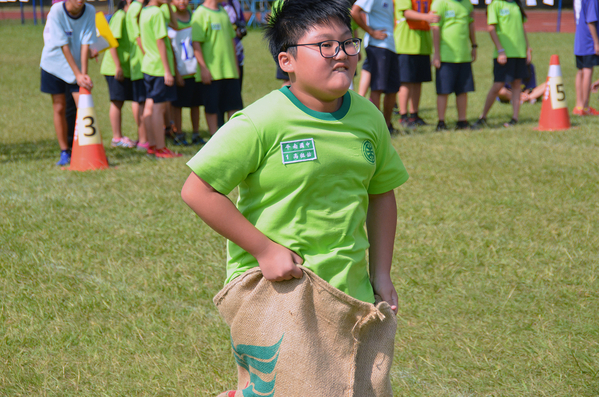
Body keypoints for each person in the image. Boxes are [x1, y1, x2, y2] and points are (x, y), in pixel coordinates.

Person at [181, 0, 408, 395]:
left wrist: (381, 273)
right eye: (325, 45)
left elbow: (381, 194)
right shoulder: (261, 120)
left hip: (349, 292)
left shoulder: (368, 118)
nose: (341, 54)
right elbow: (198, 190)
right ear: (287, 60)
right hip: (281, 288)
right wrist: (265, 249)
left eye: (347, 43)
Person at [40, 0, 96, 166]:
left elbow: (86, 43)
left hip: (76, 68)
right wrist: (78, 73)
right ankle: (65, 152)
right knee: (59, 107)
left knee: (84, 106)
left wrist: (83, 73)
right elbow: (63, 45)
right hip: (54, 65)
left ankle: (87, 150)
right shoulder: (57, 10)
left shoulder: (90, 11)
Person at [471, 0, 532, 129]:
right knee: (498, 85)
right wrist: (500, 49)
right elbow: (491, 28)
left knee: (516, 84)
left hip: (519, 52)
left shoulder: (516, 4)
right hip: (504, 53)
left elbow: (521, 28)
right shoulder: (495, 4)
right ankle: (483, 116)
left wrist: (527, 48)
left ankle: (515, 118)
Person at [191, 0, 243, 136]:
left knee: (234, 106)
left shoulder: (223, 12)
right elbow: (196, 43)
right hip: (212, 72)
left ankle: (233, 136)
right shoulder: (200, 14)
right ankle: (215, 136)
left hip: (229, 70)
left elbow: (232, 40)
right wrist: (203, 68)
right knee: (212, 107)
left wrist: (235, 64)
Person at [139, 0, 183, 158]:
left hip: (148, 66)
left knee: (150, 106)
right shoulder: (157, 13)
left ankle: (151, 144)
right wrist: (167, 70)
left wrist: (169, 7)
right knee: (159, 108)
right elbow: (160, 42)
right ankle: (161, 148)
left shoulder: (145, 11)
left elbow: (175, 25)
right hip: (159, 67)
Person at [351, 0, 400, 134]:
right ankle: (377, 127)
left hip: (390, 46)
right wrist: (371, 32)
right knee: (378, 87)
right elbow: (354, 11)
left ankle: (388, 126)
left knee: (393, 88)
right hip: (378, 47)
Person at [431, 0, 477, 131]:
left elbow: (470, 25)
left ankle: (462, 121)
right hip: (446, 56)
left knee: (463, 90)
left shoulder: (467, 4)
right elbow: (435, 28)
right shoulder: (440, 3)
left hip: (463, 56)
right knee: (443, 91)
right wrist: (437, 53)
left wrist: (474, 45)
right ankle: (441, 122)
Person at [394, 0, 439, 128]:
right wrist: (427, 17)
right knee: (406, 81)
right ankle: (403, 116)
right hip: (406, 44)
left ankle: (414, 114)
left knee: (418, 81)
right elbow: (406, 12)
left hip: (423, 45)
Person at [100, 0, 137, 148]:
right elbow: (111, 41)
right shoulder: (120, 16)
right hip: (114, 68)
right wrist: (118, 66)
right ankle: (117, 137)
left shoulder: (129, 16)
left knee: (121, 101)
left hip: (126, 68)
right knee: (117, 101)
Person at [169, 0, 204, 146]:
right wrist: (176, 73)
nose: (182, 1)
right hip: (179, 69)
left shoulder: (193, 15)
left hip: (194, 69)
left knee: (195, 104)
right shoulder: (169, 18)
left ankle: (196, 133)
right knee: (177, 105)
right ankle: (178, 133)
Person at [126, 0, 149, 151]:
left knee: (142, 101)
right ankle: (143, 139)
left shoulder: (138, 6)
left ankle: (145, 138)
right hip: (141, 62)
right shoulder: (136, 7)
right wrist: (148, 53)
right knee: (141, 102)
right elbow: (137, 35)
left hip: (142, 61)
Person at [573, 0, 599, 116]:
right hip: (588, 40)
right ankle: (585, 107)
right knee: (588, 70)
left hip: (579, 39)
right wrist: (596, 42)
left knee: (581, 71)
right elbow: (591, 20)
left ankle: (578, 105)